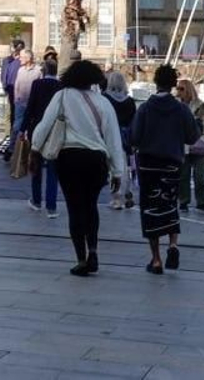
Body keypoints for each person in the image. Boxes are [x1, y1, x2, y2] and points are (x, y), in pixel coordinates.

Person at [31, 59, 126, 276]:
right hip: (96, 160)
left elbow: (45, 125)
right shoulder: (104, 103)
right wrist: (117, 172)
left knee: (75, 208)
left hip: (70, 157)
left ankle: (81, 259)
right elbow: (113, 139)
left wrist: (34, 150)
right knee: (91, 205)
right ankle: (93, 250)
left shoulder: (62, 96)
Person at [132, 64, 200, 273]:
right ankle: (173, 244)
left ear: (156, 83)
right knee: (170, 204)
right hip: (172, 163)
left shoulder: (144, 108)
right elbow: (193, 136)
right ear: (173, 84)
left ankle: (156, 259)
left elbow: (134, 137)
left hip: (149, 164)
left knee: (150, 208)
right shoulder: (181, 109)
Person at [20, 57, 62, 218]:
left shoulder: (37, 85)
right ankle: (51, 207)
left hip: (37, 129)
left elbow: (30, 108)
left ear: (43, 71)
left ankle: (36, 201)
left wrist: (22, 129)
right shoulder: (61, 86)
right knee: (52, 169)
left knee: (36, 166)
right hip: (55, 131)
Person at [174, 77, 204, 213]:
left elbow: (198, 124)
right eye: (177, 88)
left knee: (200, 176)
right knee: (183, 175)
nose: (179, 91)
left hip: (198, 143)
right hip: (183, 145)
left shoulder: (200, 105)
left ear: (189, 90)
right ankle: (183, 201)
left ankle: (202, 202)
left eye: (182, 89)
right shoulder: (175, 104)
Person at [103, 70, 136, 210]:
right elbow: (133, 121)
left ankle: (116, 198)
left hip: (110, 134)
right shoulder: (129, 101)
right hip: (125, 136)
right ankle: (125, 193)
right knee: (125, 167)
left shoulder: (105, 98)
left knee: (112, 168)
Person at [0, 40, 26, 143]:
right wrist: (4, 86)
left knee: (17, 114)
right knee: (9, 114)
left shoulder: (22, 61)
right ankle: (7, 136)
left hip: (20, 92)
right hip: (9, 90)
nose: (17, 50)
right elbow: (3, 74)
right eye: (16, 48)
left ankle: (16, 137)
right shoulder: (7, 60)